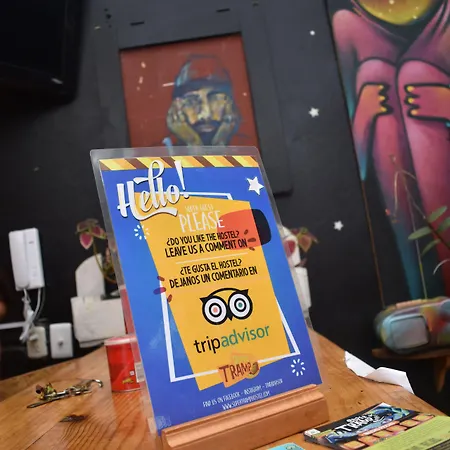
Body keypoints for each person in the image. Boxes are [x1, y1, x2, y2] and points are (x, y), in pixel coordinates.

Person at [166, 56, 241, 146]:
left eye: (215, 99)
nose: (206, 115)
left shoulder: (247, 147)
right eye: (191, 101)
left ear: (229, 103)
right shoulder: (161, 151)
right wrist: (193, 141)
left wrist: (220, 141)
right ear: (176, 108)